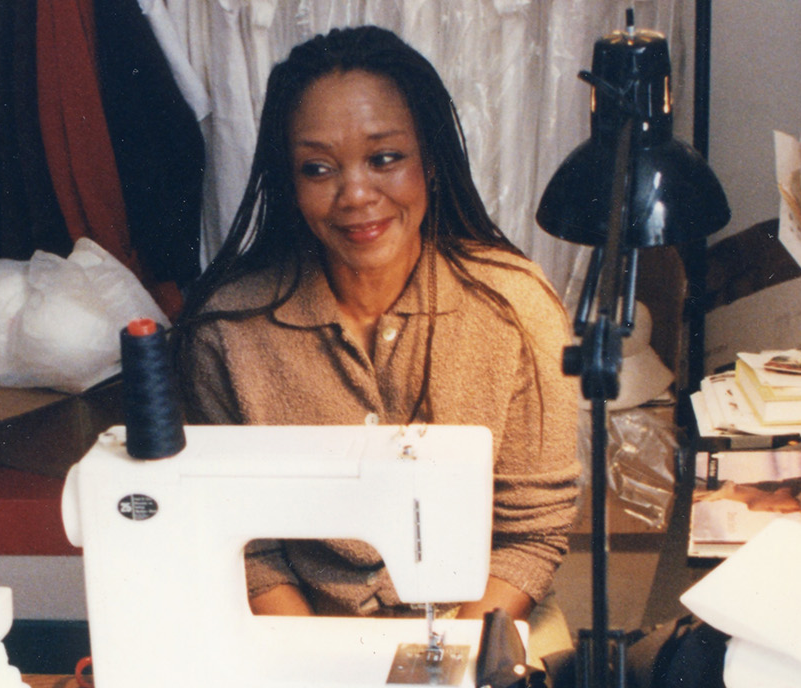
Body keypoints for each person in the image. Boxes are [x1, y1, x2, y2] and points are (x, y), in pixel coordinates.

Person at [169, 26, 580, 636]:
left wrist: (453, 669)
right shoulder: (229, 334)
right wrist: (322, 675)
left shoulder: (516, 309)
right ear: (290, 183)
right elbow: (251, 550)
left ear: (431, 161)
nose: (356, 194)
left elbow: (532, 532)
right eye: (318, 168)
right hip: (302, 637)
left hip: (484, 625)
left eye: (385, 158)